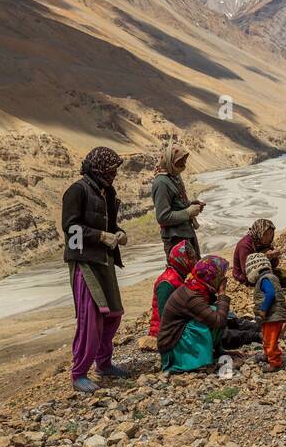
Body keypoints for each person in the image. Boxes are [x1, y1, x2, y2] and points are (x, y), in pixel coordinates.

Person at [62, 146, 128, 393]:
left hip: (105, 261)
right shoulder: (77, 191)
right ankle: (79, 373)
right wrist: (100, 236)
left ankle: (104, 362)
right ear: (98, 168)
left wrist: (118, 232)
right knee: (91, 319)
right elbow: (71, 230)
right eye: (110, 170)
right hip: (85, 262)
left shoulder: (107, 191)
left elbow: (111, 223)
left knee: (113, 314)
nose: (114, 174)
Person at [157, 255, 231, 372]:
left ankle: (206, 356)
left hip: (175, 340)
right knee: (207, 318)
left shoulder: (199, 288)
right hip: (171, 347)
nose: (224, 280)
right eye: (220, 276)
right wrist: (222, 293)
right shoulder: (192, 296)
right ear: (212, 277)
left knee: (213, 311)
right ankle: (194, 362)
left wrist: (221, 351)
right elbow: (219, 322)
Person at [142, 239, 199, 350]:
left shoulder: (181, 276)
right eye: (191, 259)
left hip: (176, 324)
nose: (195, 262)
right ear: (182, 260)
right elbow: (165, 316)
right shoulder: (167, 282)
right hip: (166, 332)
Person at [152, 145, 203, 257]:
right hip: (175, 239)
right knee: (183, 272)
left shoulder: (174, 175)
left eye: (184, 162)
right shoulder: (161, 183)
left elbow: (177, 202)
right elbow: (163, 217)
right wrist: (188, 212)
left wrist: (191, 205)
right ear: (170, 162)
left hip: (186, 233)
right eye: (180, 163)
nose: (183, 166)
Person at [243, 252, 286, 372]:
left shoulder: (265, 279)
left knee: (270, 339)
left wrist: (263, 310)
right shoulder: (270, 277)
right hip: (273, 316)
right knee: (267, 337)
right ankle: (268, 355)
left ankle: (275, 362)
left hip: (272, 316)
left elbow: (271, 294)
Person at [232, 218, 286, 289]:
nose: (268, 237)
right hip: (247, 276)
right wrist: (264, 257)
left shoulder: (264, 242)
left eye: (271, 233)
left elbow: (274, 265)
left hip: (264, 270)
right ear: (259, 232)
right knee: (270, 282)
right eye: (265, 234)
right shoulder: (245, 245)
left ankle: (268, 284)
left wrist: (273, 257)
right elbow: (246, 271)